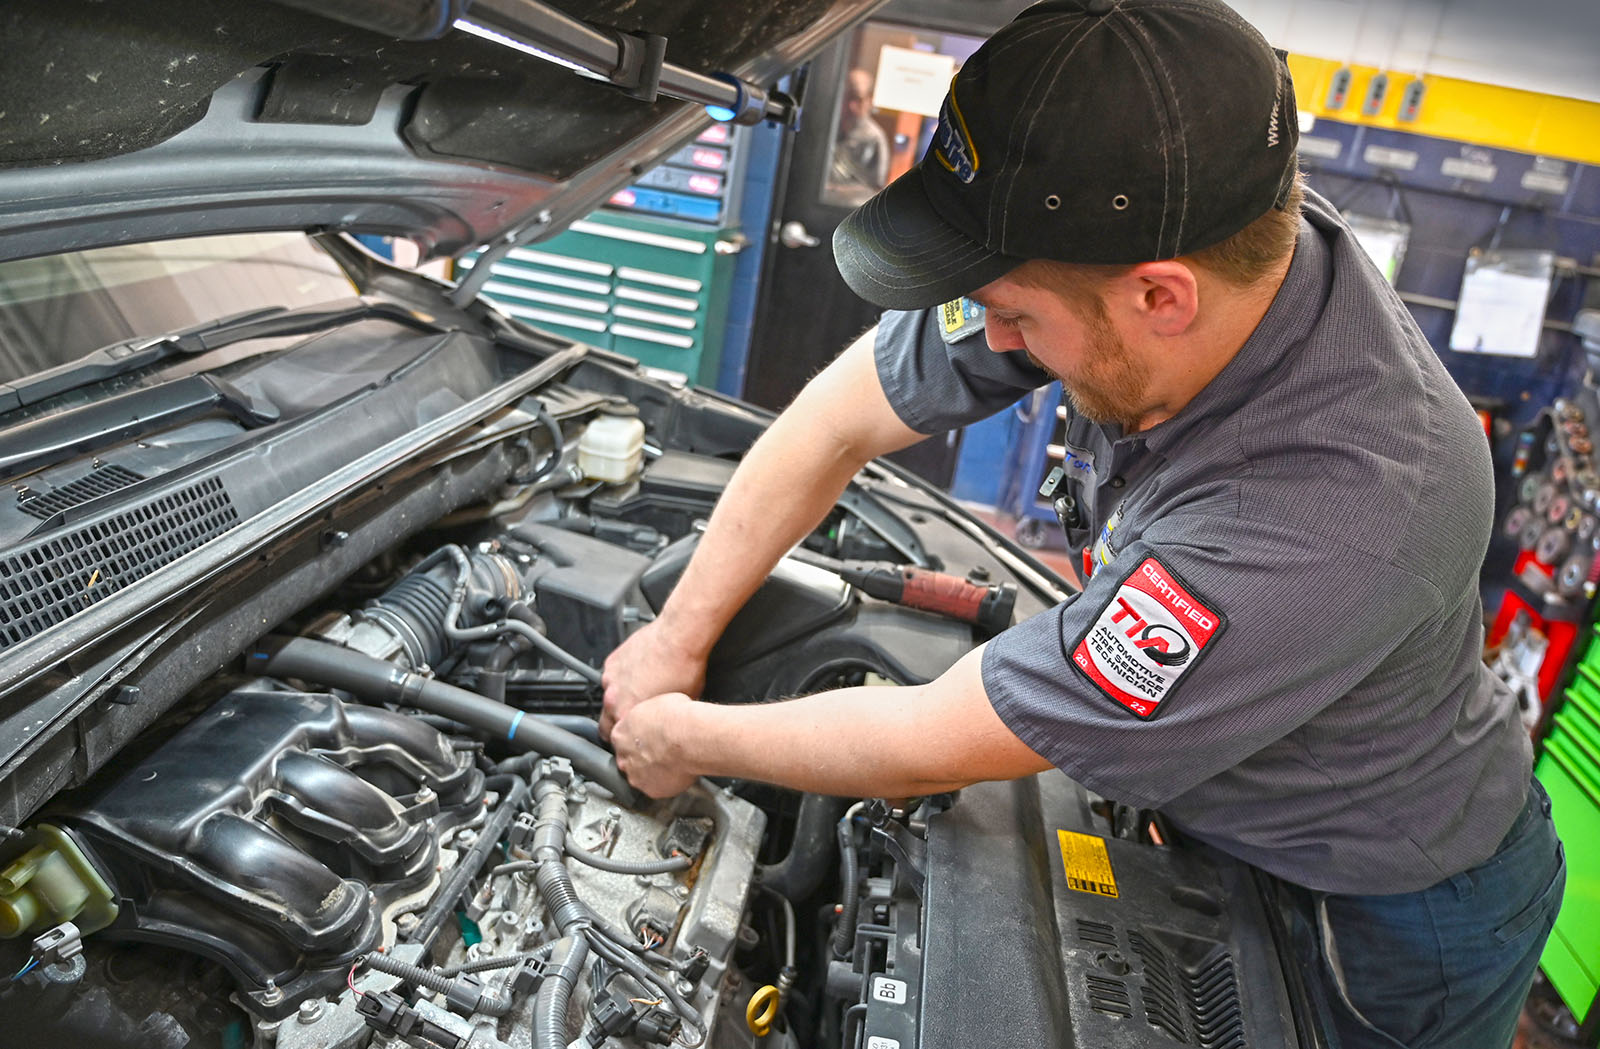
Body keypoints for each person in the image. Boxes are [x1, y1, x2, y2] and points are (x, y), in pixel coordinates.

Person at [603, 2, 1565, 1046]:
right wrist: (676, 634)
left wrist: (679, 735)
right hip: (1220, 791)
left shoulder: (1336, 511)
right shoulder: (1172, 229)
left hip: (1381, 909)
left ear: (1162, 297)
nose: (996, 336)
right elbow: (841, 416)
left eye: (1014, 314)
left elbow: (936, 739)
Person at [828, 68, 891, 200]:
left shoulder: (875, 138)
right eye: (848, 97)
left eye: (858, 99)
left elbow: (876, 188)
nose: (851, 106)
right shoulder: (828, 128)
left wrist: (838, 191)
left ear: (869, 100)